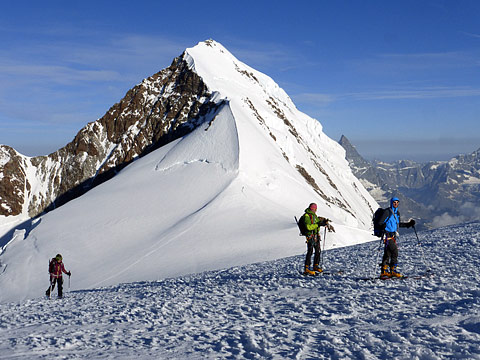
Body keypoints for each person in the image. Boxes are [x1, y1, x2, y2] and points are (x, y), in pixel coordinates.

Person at [379, 197, 415, 278]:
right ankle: (393, 270)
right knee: (394, 251)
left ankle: (384, 271)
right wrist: (383, 226)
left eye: (397, 202)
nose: (396, 204)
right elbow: (380, 222)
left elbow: (397, 224)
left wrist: (408, 224)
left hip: (393, 235)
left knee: (388, 253)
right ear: (391, 203)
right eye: (394, 202)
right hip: (387, 235)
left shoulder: (397, 213)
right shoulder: (387, 212)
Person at [302, 203, 335, 275]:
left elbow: (317, 223)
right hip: (310, 236)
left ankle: (315, 266)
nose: (314, 210)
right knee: (310, 251)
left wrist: (322, 223)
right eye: (313, 209)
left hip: (315, 236)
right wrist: (318, 224)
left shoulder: (313, 216)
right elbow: (308, 227)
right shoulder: (307, 216)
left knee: (317, 251)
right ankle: (307, 268)